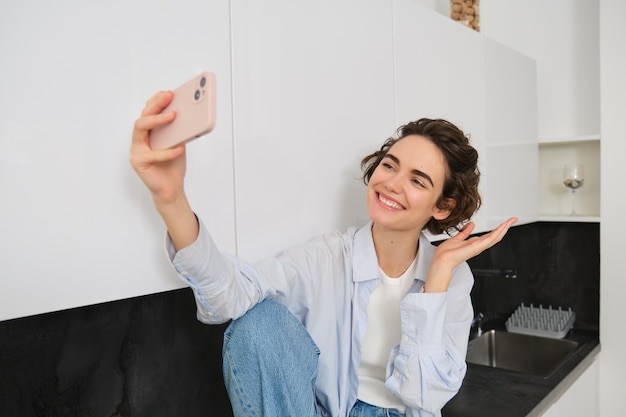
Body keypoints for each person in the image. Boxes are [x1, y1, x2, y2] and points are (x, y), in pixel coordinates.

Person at [130, 90, 517, 417]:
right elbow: (228, 298)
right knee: (259, 323)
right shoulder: (327, 258)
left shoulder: (451, 277)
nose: (392, 184)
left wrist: (439, 276)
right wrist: (171, 200)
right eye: (390, 165)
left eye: (417, 180)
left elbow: (426, 394)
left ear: (442, 207)